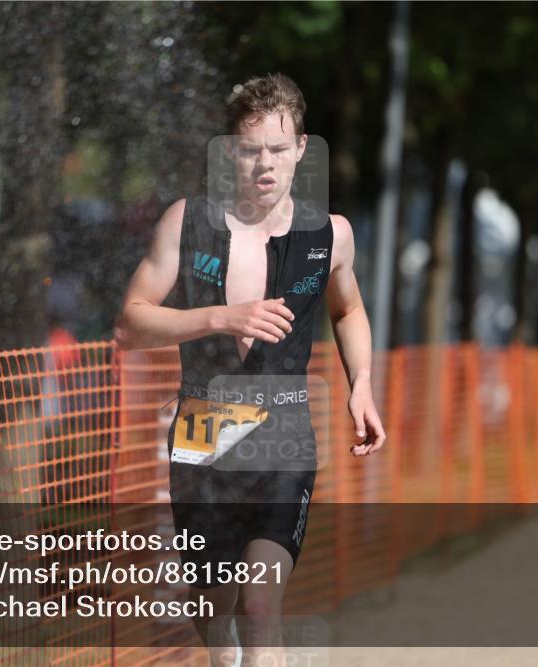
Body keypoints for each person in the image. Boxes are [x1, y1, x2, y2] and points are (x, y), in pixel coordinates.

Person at [113, 73, 385, 666]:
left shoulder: (330, 234)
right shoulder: (187, 222)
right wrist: (219, 317)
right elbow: (130, 325)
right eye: (250, 149)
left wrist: (362, 383)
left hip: (284, 434)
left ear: (301, 148)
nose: (265, 164)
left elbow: (350, 310)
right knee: (214, 612)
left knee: (261, 605)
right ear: (229, 151)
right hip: (203, 430)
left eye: (279, 149)